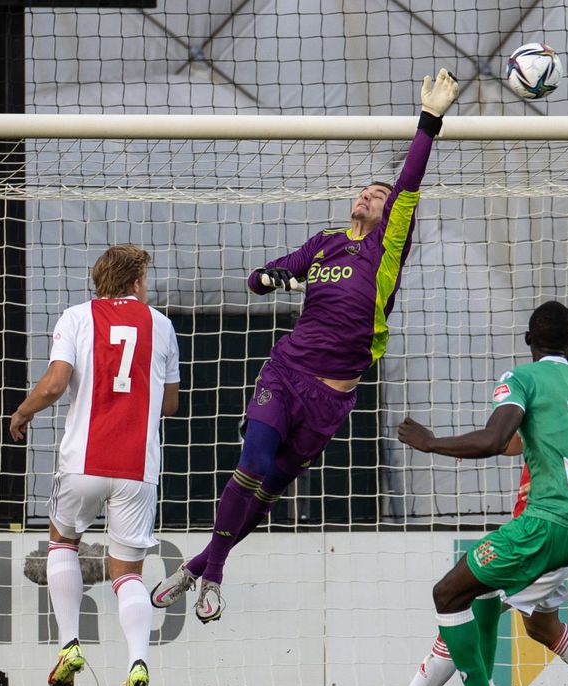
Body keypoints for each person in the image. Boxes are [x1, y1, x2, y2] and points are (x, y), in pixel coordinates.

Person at [150, 69, 460, 622]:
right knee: (252, 463)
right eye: (365, 190)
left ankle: (202, 562)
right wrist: (271, 279)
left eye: (379, 195)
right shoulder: (324, 245)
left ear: (392, 216)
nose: (370, 194)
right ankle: (215, 571)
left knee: (267, 491)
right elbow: (261, 277)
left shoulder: (387, 249)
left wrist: (429, 121)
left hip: (330, 400)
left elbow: (410, 180)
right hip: (285, 372)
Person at [345, 327, 568, 686]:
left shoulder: (549, 400)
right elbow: (508, 442)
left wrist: (436, 443)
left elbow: (496, 440)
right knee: (538, 624)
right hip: (559, 533)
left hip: (542, 532)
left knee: (460, 596)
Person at [9, 244, 180, 686]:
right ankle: (137, 665)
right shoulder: (161, 325)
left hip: (83, 461)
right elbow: (170, 405)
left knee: (61, 542)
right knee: (129, 573)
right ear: (134, 283)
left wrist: (23, 411)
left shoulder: (76, 317)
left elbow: (56, 383)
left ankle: (69, 646)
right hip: (138, 468)